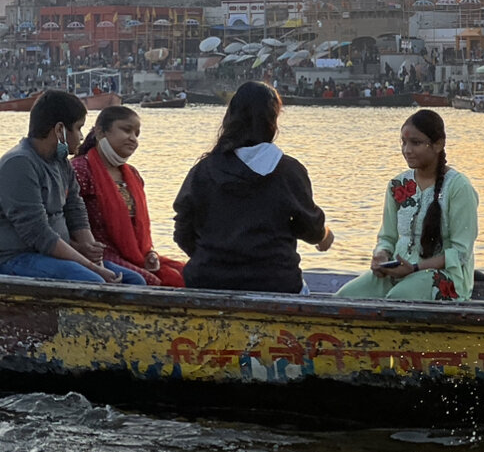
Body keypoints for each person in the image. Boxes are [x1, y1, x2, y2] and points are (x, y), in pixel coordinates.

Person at [173, 81, 334, 293]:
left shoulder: (204, 170)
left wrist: (213, 257)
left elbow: (183, 229)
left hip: (206, 278)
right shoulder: (288, 170)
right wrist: (325, 236)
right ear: (273, 120)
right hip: (275, 282)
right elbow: (310, 228)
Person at [0, 90, 144, 285]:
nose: (82, 136)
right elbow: (38, 234)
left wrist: (91, 252)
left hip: (55, 254)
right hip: (16, 258)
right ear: (60, 130)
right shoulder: (19, 164)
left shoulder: (61, 162)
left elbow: (75, 210)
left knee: (135, 281)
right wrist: (93, 268)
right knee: (93, 281)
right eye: (78, 128)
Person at [336, 109, 478, 301]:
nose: (407, 150)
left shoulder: (458, 187)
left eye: (416, 143)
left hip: (446, 278)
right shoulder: (398, 185)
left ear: (438, 144)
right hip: (397, 271)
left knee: (398, 298)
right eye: (403, 143)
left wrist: (416, 268)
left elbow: (460, 253)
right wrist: (381, 256)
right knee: (344, 298)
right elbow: (387, 237)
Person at [72, 105, 185, 287]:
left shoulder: (133, 175)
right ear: (101, 132)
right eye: (126, 130)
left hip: (135, 254)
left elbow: (139, 231)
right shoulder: (80, 170)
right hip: (100, 254)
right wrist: (81, 248)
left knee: (184, 274)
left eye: (137, 134)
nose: (133, 139)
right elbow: (60, 220)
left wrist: (150, 254)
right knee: (151, 282)